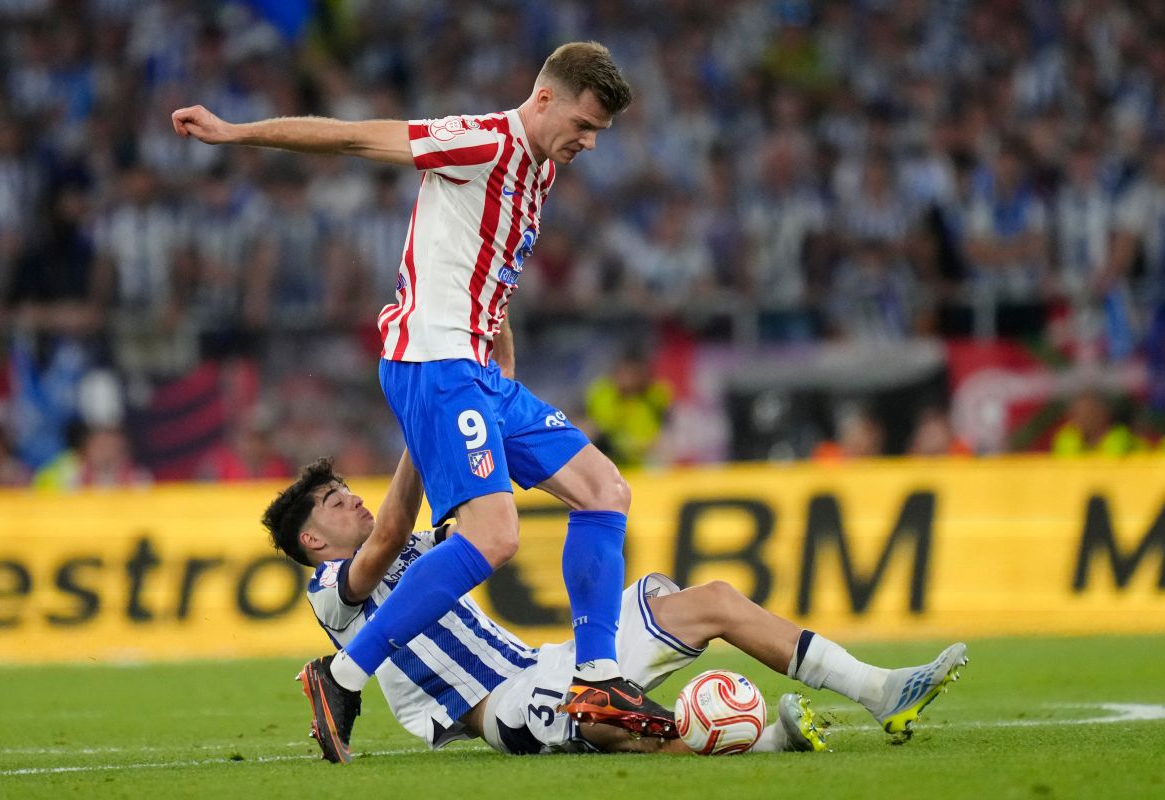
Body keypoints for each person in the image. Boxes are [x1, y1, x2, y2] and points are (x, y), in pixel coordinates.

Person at [173, 42, 676, 737]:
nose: (588, 143)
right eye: (584, 126)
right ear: (545, 100)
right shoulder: (478, 140)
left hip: (474, 364)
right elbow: (353, 138)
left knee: (605, 491)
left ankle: (597, 681)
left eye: (598, 133)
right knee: (494, 537)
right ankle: (342, 676)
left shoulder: (541, 168)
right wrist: (236, 132)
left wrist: (500, 336)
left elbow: (487, 259)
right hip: (432, 359)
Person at [262, 457, 968, 762]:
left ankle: (880, 691)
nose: (353, 498)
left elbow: (464, 488)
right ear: (313, 539)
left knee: (712, 599)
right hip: (499, 708)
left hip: (546, 664)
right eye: (334, 501)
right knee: (611, 721)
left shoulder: (418, 545)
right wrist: (425, 406)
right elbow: (386, 533)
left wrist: (474, 360)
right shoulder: (330, 592)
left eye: (349, 488)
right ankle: (769, 742)